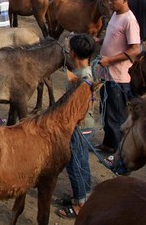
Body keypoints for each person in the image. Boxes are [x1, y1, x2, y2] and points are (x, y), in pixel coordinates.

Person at [55, 34, 96, 220]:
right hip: (85, 126)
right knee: (82, 162)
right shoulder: (84, 73)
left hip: (78, 127)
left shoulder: (82, 79)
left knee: (75, 165)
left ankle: (80, 205)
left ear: (71, 53)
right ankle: (83, 196)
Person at [96, 0, 141, 154]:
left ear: (124, 0)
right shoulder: (116, 15)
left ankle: (118, 151)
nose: (110, 3)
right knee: (106, 111)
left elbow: (135, 50)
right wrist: (101, 42)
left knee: (116, 116)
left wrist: (111, 60)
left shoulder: (130, 20)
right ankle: (108, 144)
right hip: (107, 74)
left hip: (118, 76)